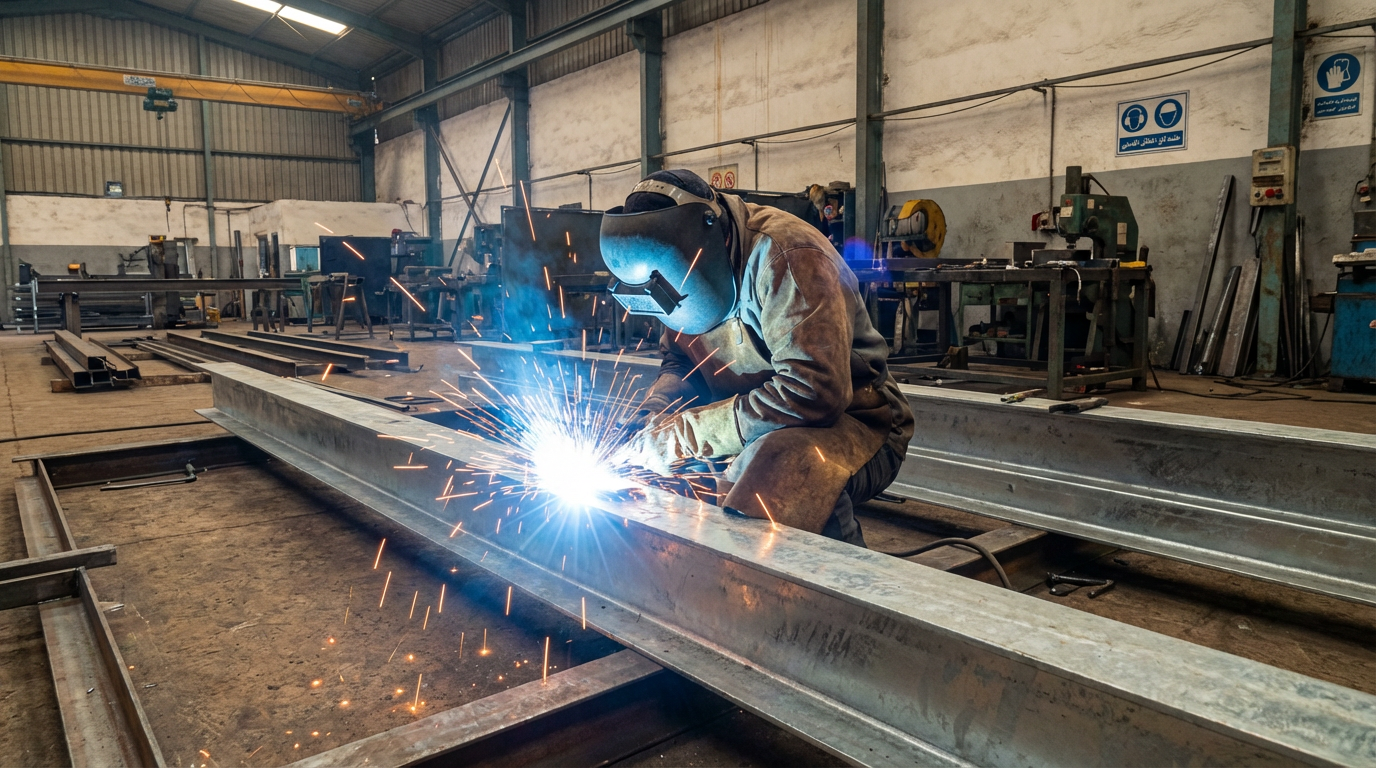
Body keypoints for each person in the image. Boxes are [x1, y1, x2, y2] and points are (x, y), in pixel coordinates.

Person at [600, 170, 914, 546]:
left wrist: (681, 435)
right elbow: (682, 364)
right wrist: (653, 414)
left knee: (780, 469)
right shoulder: (673, 268)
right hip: (750, 424)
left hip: (861, 422)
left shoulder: (789, 254)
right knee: (679, 478)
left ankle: (846, 594)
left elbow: (815, 393)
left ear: (714, 237)